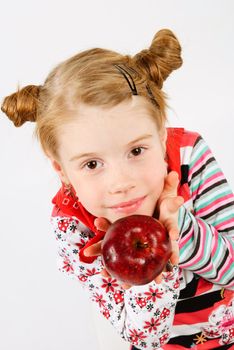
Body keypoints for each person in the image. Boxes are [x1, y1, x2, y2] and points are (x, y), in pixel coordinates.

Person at [1, 29, 234, 349]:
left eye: (137, 151)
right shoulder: (72, 225)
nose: (121, 183)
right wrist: (156, 267)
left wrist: (181, 228)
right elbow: (144, 337)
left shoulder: (189, 158)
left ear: (162, 135)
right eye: (92, 164)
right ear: (61, 169)